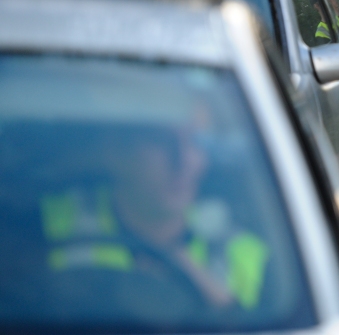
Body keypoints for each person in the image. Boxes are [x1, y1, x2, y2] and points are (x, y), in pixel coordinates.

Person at [39, 120, 269, 309]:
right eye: (162, 141)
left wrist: (182, 265)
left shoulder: (244, 250)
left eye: (196, 142)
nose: (184, 161)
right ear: (115, 154)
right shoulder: (43, 223)